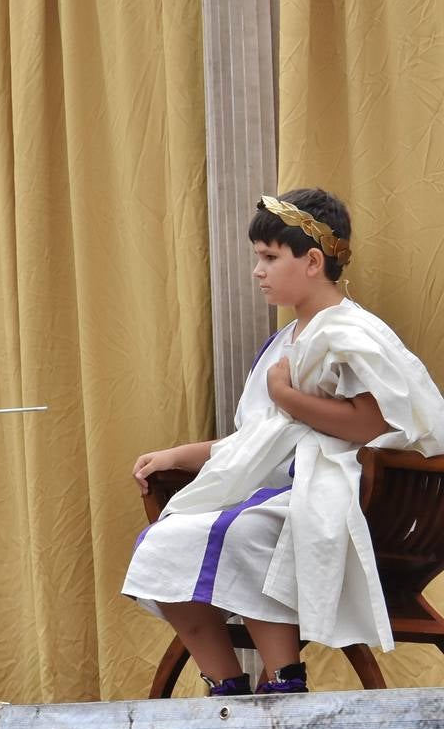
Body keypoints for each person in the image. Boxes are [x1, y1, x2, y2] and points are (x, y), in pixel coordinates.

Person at [124, 188, 444, 696]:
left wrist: (285, 396)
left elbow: (369, 423)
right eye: (258, 258)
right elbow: (262, 441)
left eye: (270, 257)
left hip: (341, 499)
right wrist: (180, 455)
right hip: (282, 492)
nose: (258, 270)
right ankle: (226, 687)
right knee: (166, 540)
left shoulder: (348, 332)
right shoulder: (286, 340)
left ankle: (284, 681)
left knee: (246, 532)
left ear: (313, 261)